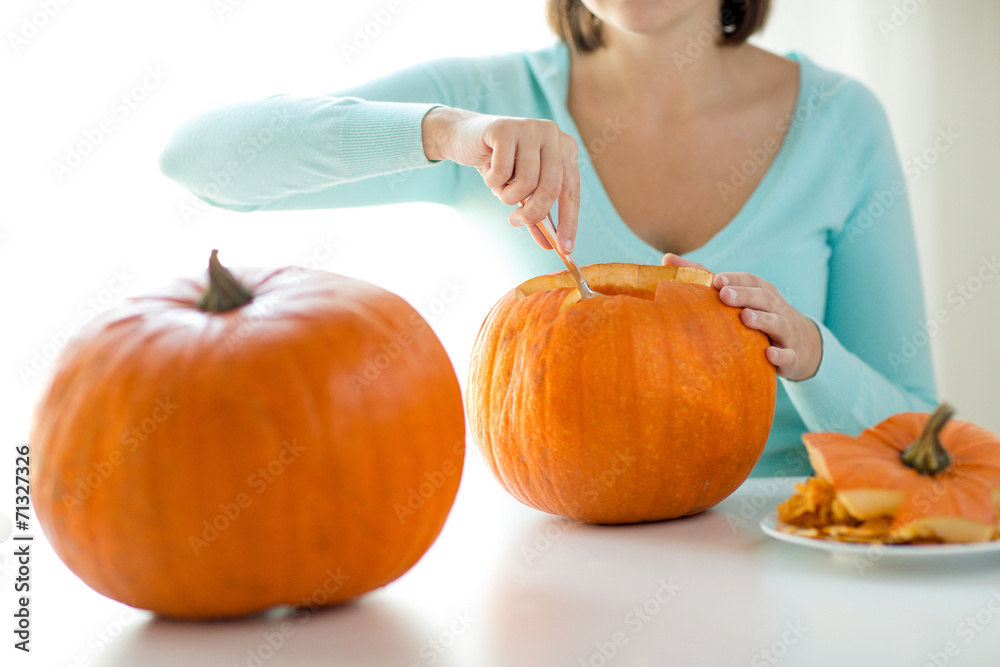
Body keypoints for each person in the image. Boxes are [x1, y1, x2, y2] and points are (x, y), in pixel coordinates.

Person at [159, 0, 937, 476]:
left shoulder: (841, 120)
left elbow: (923, 441)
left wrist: (811, 355)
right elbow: (198, 161)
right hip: (561, 564)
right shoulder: (490, 102)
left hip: (795, 555)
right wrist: (446, 131)